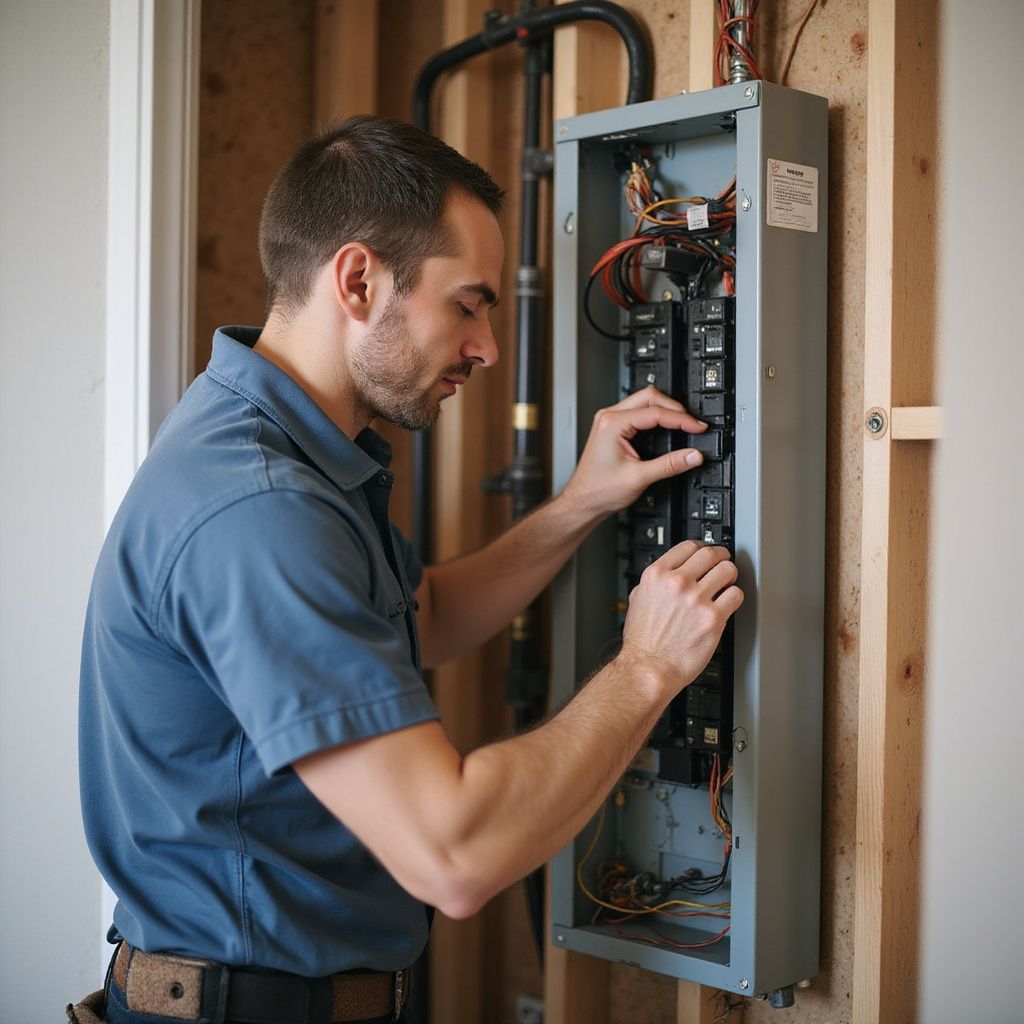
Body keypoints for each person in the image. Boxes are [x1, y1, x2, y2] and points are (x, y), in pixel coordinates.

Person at [74, 115, 742, 1024]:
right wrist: (647, 671)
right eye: (467, 304)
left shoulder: (288, 453)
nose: (487, 349)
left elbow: (422, 613)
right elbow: (453, 856)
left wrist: (583, 501)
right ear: (357, 279)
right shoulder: (260, 509)